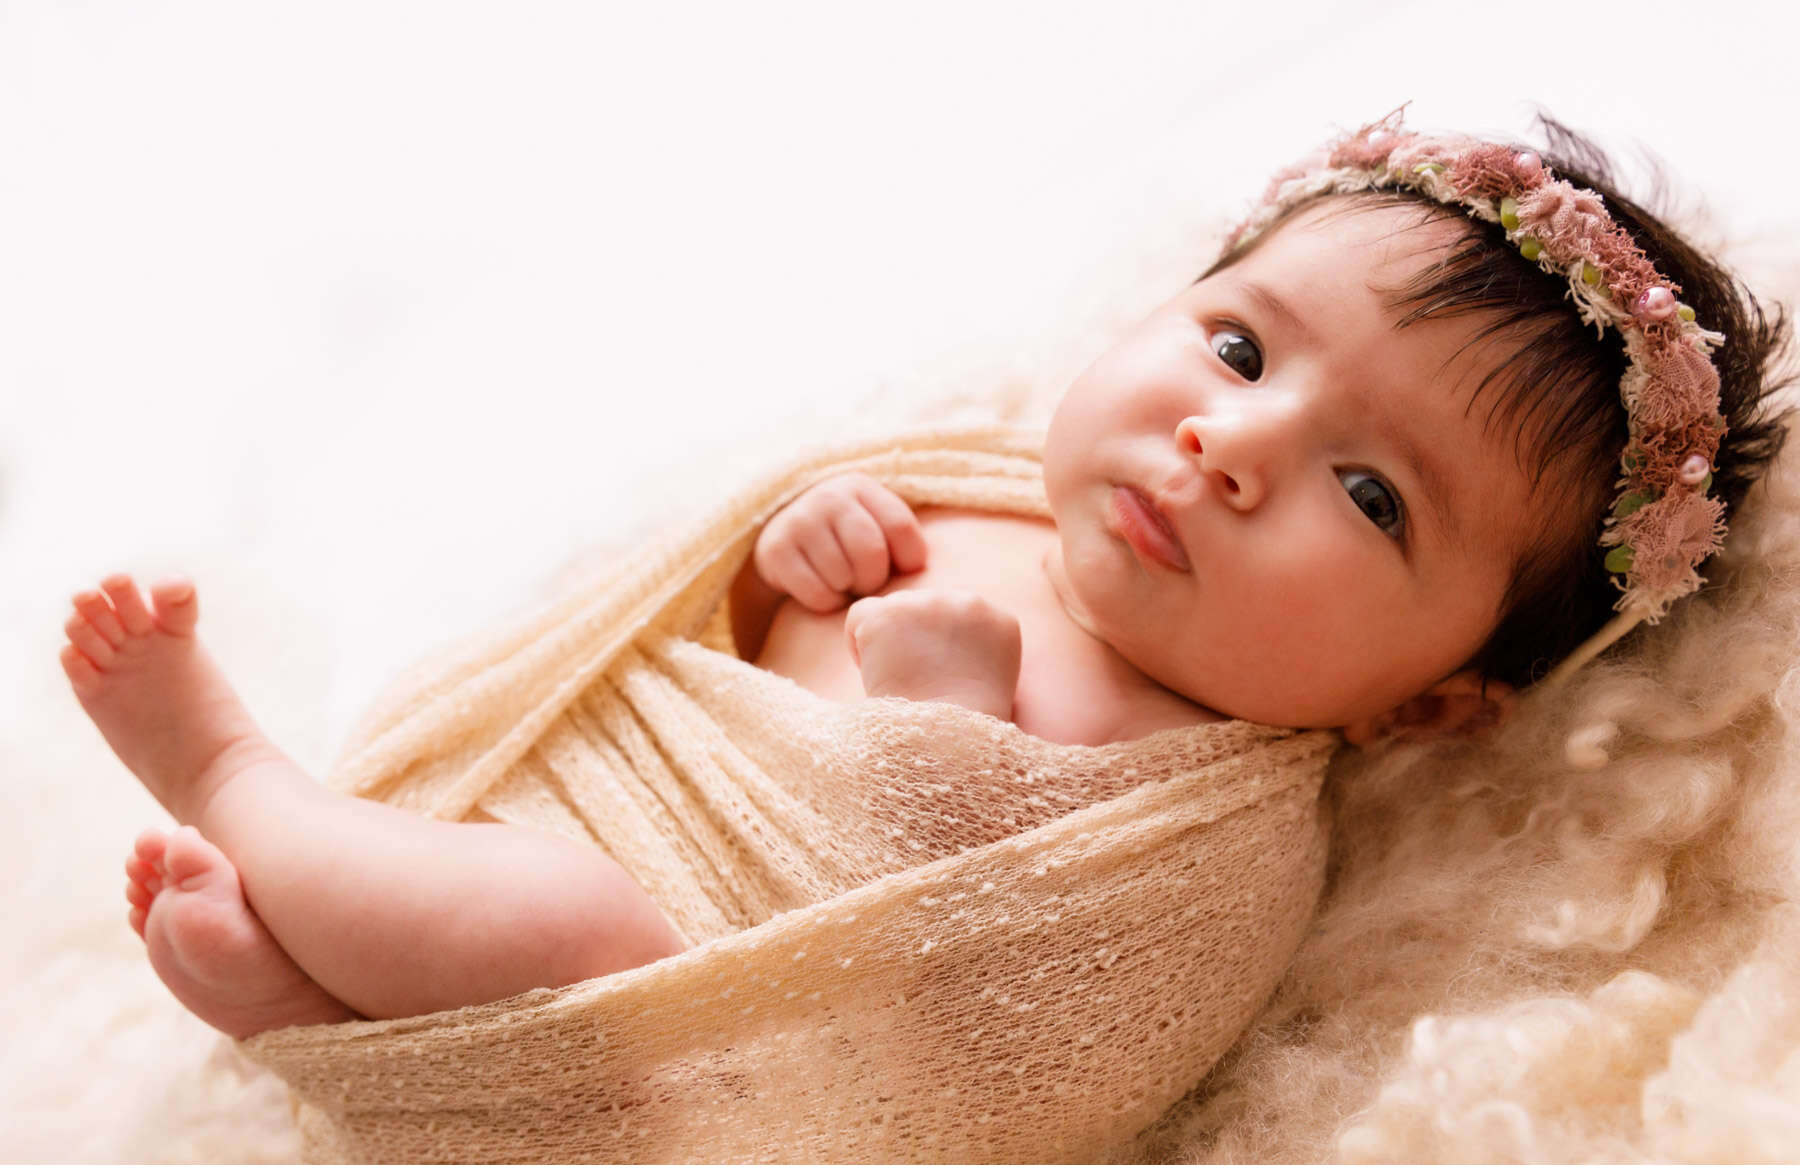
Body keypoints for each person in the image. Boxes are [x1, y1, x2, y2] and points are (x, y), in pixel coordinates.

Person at [60, 115, 1789, 1040]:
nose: (1230, 446)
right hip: (582, 831)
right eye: (1243, 346)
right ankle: (335, 980)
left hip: (682, 1028)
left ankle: (233, 776)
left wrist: (947, 735)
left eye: (1370, 493)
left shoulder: (1210, 823)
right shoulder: (974, 493)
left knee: (575, 937)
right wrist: (787, 563)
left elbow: (997, 1013)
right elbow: (694, 647)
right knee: (525, 879)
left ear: (1430, 703)